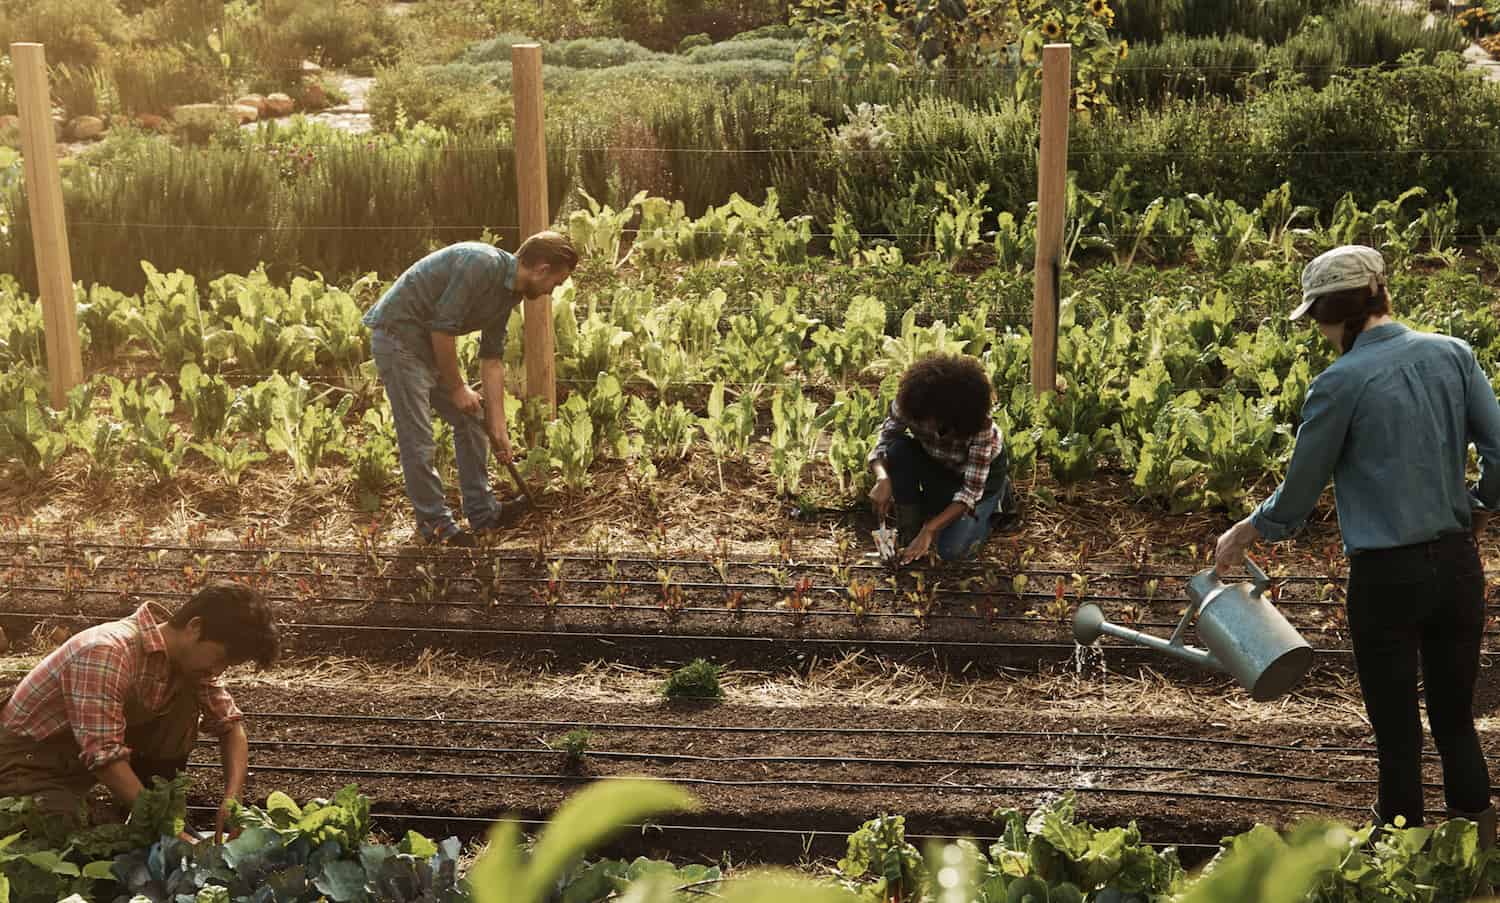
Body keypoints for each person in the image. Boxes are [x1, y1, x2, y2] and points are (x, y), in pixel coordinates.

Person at [1214, 245, 1500, 845]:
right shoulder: (1453, 355)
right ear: (1380, 295)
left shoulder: (1338, 383)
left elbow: (1299, 494)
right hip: (1456, 566)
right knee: (1454, 718)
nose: (1319, 333)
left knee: (1396, 728)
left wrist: (1248, 529)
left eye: (1317, 318)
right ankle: (1477, 848)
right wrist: (1479, 507)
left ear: (1329, 314)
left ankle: (1399, 850)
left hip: (1386, 579)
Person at [0, 583, 279, 840]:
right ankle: (142, 816)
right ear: (195, 627)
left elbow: (230, 725)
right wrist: (172, 834)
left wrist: (232, 800)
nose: (218, 670)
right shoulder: (105, 651)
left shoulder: (187, 661)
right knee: (68, 837)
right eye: (220, 659)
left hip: (76, 763)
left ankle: (150, 807)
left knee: (184, 703)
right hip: (25, 765)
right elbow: (104, 757)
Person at [363, 232, 578, 546]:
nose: (550, 292)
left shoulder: (510, 293)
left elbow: (491, 358)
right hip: (398, 339)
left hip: (426, 346)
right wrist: (457, 387)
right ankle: (438, 529)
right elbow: (442, 328)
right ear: (542, 270)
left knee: (474, 417)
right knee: (419, 441)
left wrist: (499, 426)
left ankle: (483, 513)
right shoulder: (481, 264)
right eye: (555, 284)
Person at [868, 354, 1013, 564]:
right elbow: (883, 443)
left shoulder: (980, 427)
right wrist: (882, 477)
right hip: (939, 464)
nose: (929, 423)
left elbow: (969, 492)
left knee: (952, 551)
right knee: (898, 449)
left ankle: (999, 496)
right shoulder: (911, 403)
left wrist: (930, 529)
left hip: (979, 479)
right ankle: (908, 529)